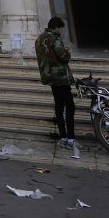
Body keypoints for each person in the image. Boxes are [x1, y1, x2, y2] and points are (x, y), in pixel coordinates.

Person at [35, 17, 76, 150]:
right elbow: (63, 57)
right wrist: (67, 53)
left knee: (59, 107)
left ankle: (63, 137)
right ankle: (70, 138)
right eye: (61, 28)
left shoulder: (39, 39)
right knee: (70, 106)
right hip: (61, 78)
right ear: (56, 27)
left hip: (50, 77)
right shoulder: (54, 39)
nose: (61, 31)